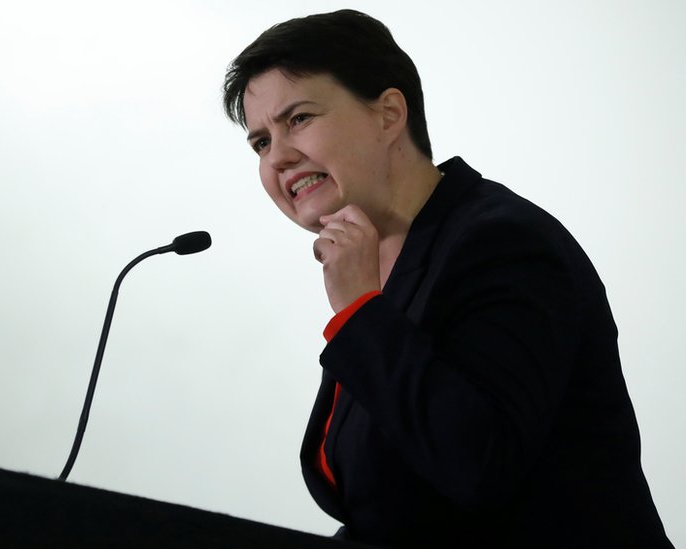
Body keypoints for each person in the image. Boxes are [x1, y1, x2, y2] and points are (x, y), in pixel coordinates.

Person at [222, 9, 672, 548]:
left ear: (389, 115)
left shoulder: (503, 242)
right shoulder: (384, 267)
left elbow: (479, 466)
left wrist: (360, 313)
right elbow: (389, 507)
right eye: (260, 142)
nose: (278, 157)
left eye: (298, 119)